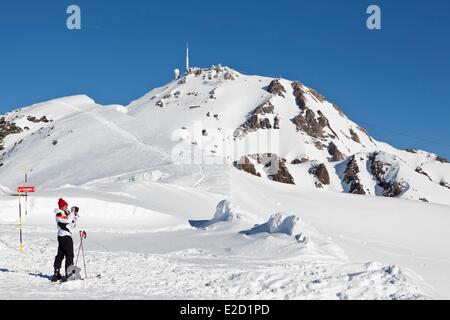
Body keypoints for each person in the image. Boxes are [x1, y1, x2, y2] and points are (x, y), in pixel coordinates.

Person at [52, 198, 79, 282]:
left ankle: (57, 273)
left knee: (60, 255)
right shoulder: (59, 214)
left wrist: (75, 214)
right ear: (61, 206)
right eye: (65, 206)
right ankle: (68, 274)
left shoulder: (66, 213)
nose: (66, 207)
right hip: (65, 237)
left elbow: (72, 225)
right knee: (69, 255)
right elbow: (67, 220)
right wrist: (71, 213)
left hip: (63, 237)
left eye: (66, 205)